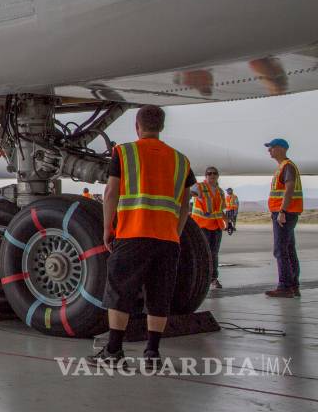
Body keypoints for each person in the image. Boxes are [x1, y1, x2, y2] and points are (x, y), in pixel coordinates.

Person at [90, 105, 195, 366]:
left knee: (120, 293)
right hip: (167, 239)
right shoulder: (181, 160)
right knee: (159, 295)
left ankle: (113, 351)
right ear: (161, 127)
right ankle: (152, 353)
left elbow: (111, 192)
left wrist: (107, 228)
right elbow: (185, 203)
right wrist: (177, 231)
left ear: (137, 126)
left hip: (133, 234)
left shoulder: (124, 152)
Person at [264, 139, 303, 298]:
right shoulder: (284, 166)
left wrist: (282, 211)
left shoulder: (287, 166)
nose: (269, 151)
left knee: (280, 250)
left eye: (271, 148)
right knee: (288, 249)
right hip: (287, 212)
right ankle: (293, 286)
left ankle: (285, 286)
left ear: (280, 149)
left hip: (285, 213)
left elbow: (289, 190)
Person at [190, 166, 226, 288]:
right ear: (205, 176)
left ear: (217, 176)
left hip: (216, 226)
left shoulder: (221, 191)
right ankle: (202, 278)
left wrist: (229, 223)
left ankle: (213, 278)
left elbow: (221, 210)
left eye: (214, 173)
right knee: (203, 253)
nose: (212, 175)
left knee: (214, 253)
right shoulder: (199, 187)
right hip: (203, 226)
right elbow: (187, 196)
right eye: (209, 173)